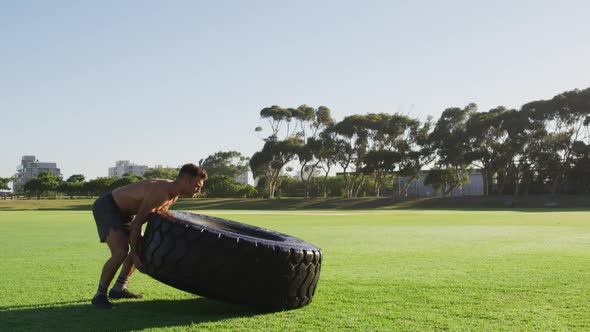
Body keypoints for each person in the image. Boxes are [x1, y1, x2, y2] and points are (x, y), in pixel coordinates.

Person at [91, 163, 208, 309]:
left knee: (140, 247)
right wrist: (133, 252)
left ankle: (118, 289)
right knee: (121, 252)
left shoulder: (173, 196)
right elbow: (137, 224)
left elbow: (159, 216)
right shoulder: (160, 192)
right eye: (197, 185)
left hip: (127, 214)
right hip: (108, 206)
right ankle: (99, 296)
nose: (199, 190)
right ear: (185, 180)